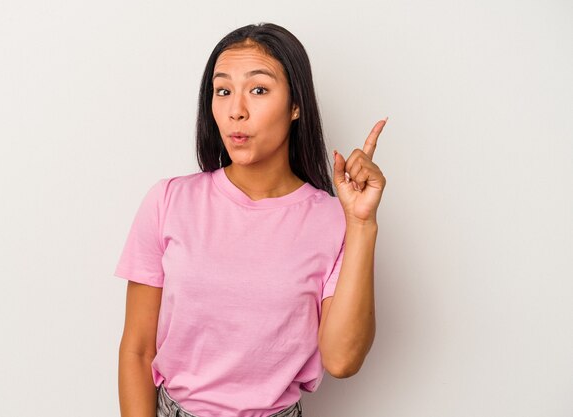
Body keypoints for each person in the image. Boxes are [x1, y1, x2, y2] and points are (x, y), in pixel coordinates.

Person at [114, 22, 387, 417]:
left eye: (258, 90)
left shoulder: (334, 220)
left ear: (296, 105)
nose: (236, 110)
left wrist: (362, 224)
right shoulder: (169, 201)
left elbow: (342, 360)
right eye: (223, 91)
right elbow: (138, 350)